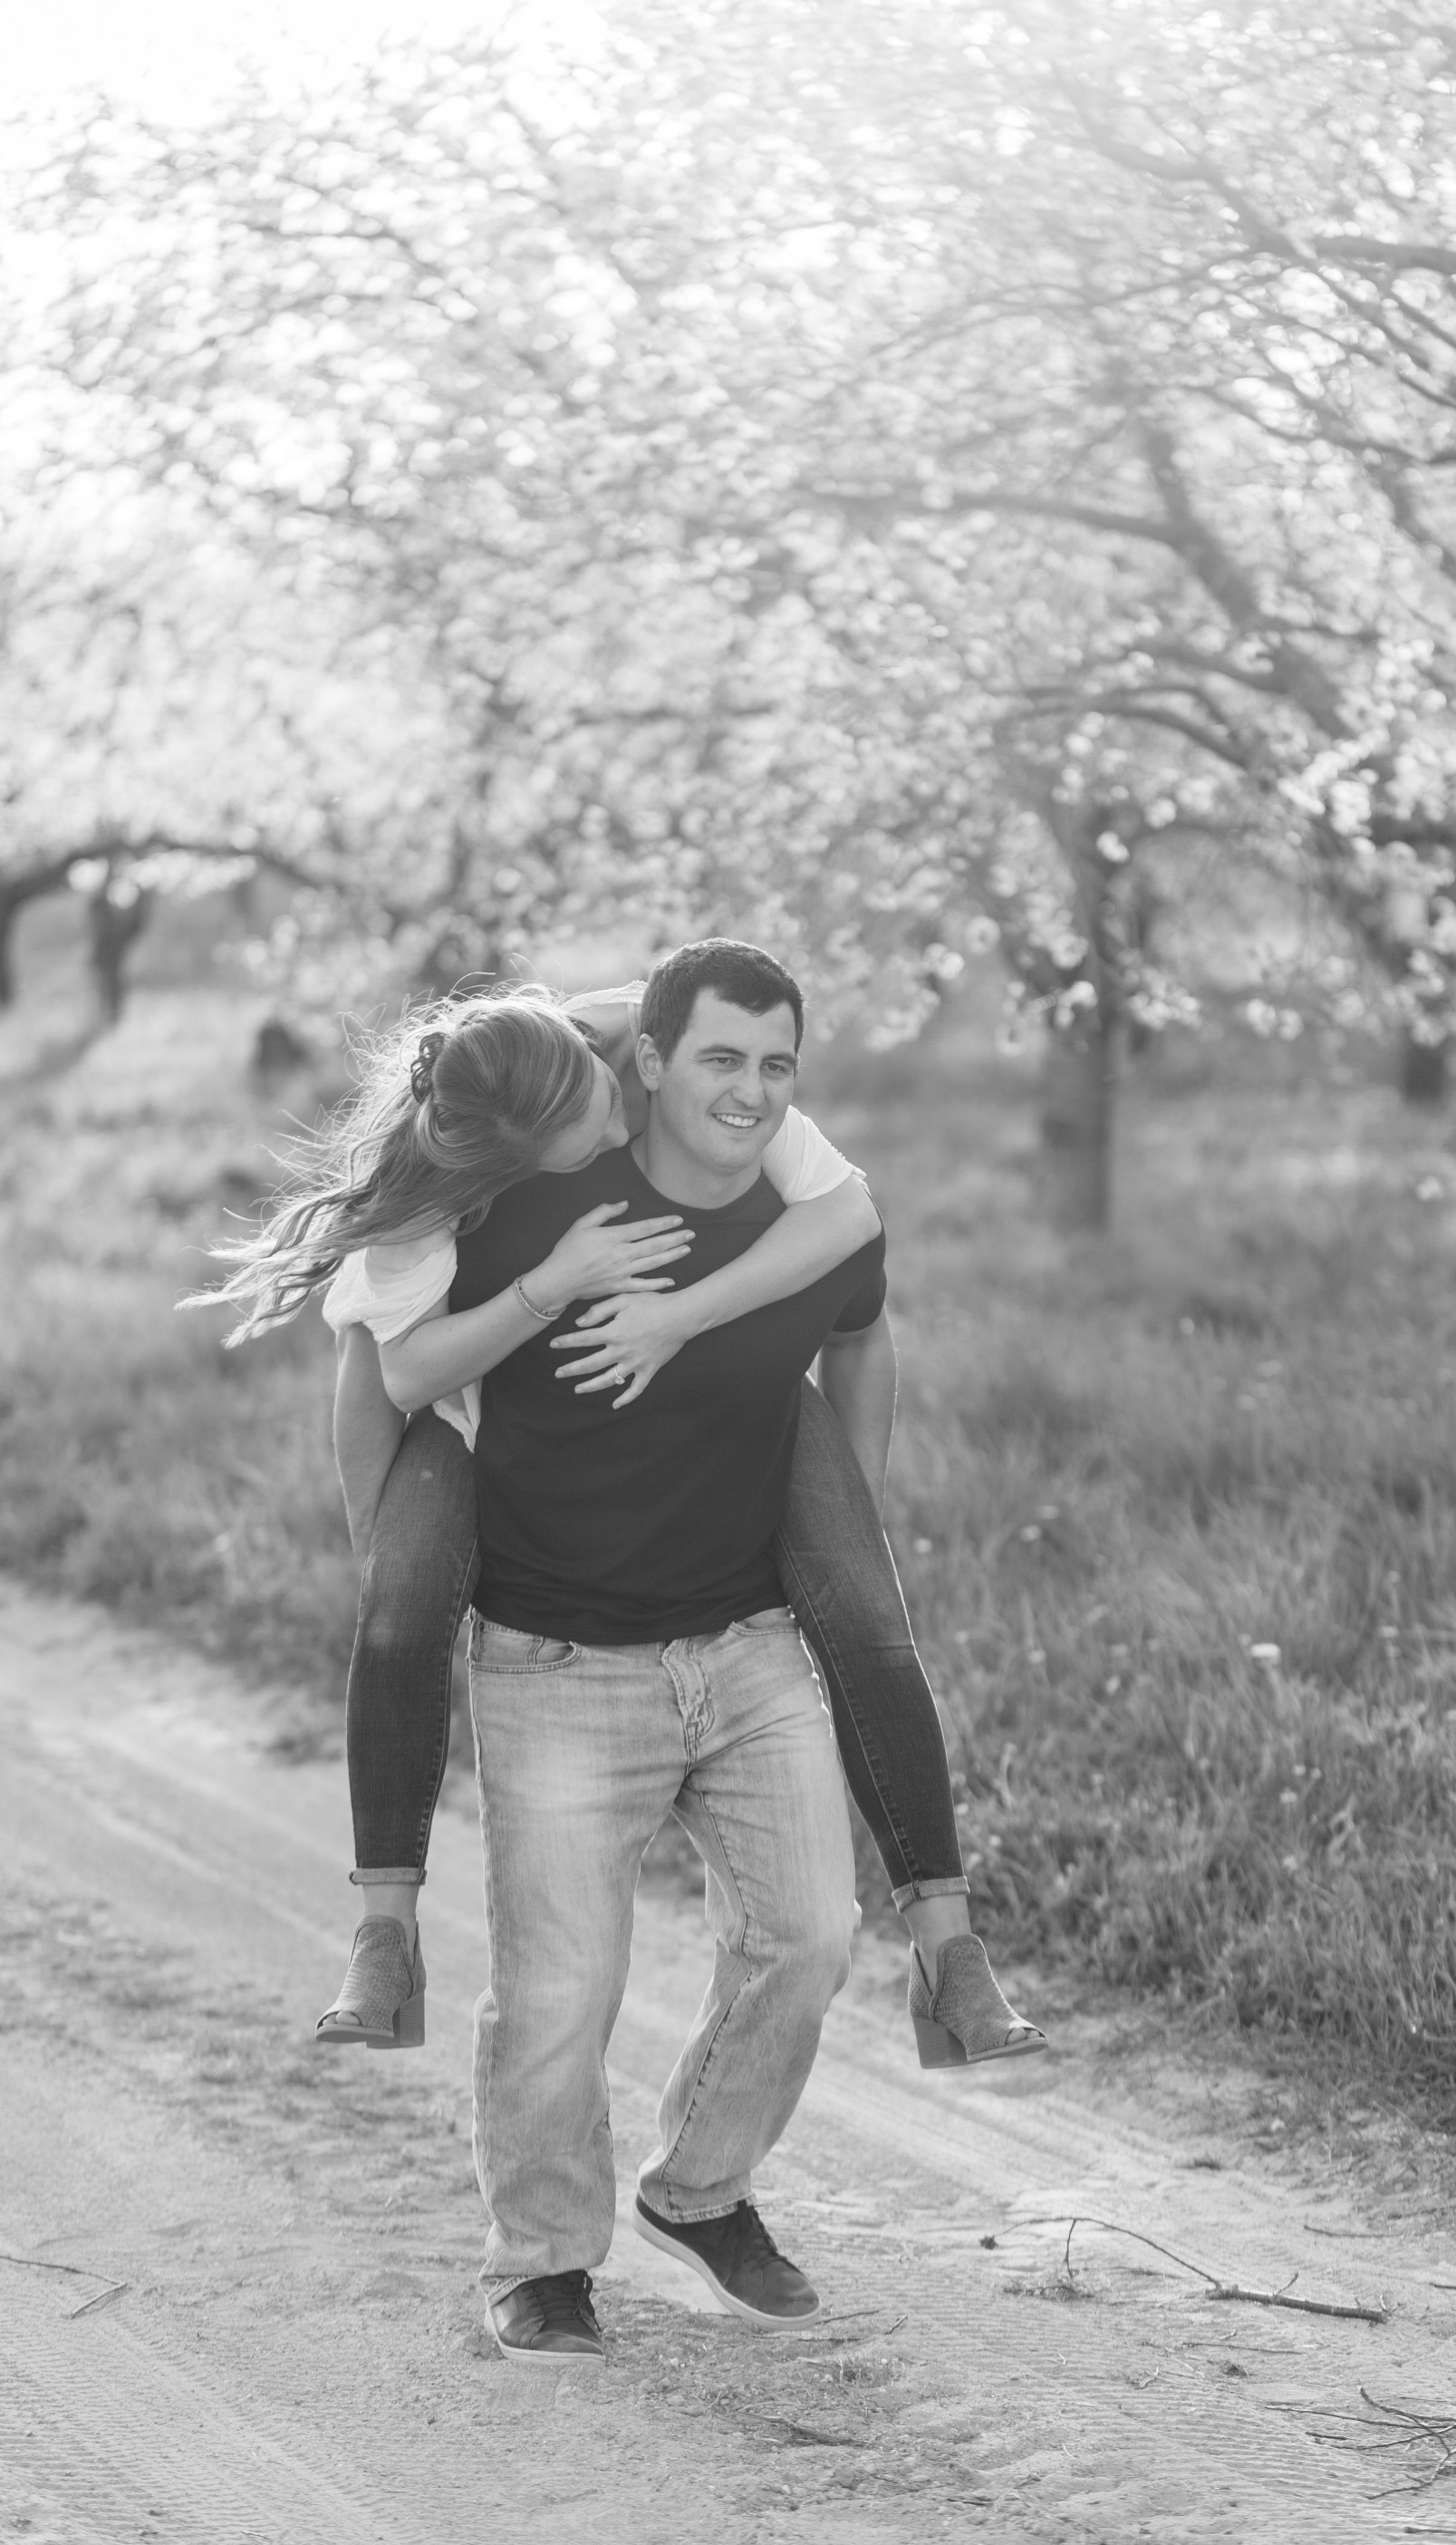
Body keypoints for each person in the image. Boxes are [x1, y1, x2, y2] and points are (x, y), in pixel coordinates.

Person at [198, 967, 1043, 2074]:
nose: (616, 1121)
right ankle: (386, 1932)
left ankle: (950, 1947)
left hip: (721, 1393)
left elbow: (848, 1218)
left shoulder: (681, 1053)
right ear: (509, 1163)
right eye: (586, 1131)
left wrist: (832, 1490)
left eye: (612, 1095)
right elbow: (385, 1379)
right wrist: (383, 1550)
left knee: (867, 1606)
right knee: (400, 1615)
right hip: (455, 1408)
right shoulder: (443, 1189)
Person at [456, 939, 905, 2363]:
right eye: (721, 1057)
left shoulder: (804, 1212)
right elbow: (406, 1337)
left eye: (778, 1066)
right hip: (556, 1659)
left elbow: (866, 1330)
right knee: (561, 1987)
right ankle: (540, 2261)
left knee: (813, 1935)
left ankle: (701, 2190)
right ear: (647, 1059)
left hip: (747, 1640)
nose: (753, 1092)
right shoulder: (543, 1197)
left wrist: (853, 1517)